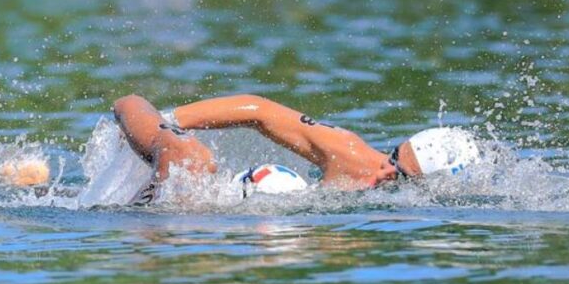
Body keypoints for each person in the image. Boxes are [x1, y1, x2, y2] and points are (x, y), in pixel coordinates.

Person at [113, 92, 481, 203]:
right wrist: (169, 121)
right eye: (392, 160)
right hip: (152, 128)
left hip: (176, 221)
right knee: (189, 158)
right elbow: (260, 110)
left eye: (400, 180)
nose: (384, 172)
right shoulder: (353, 156)